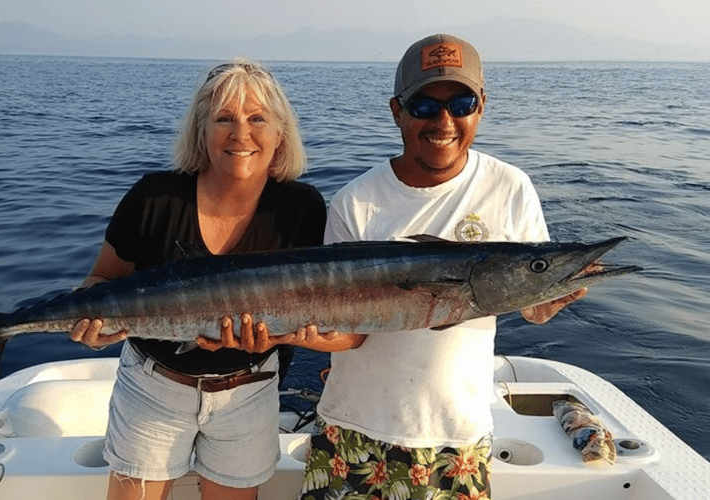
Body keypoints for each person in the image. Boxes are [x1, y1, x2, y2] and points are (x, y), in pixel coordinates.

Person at [206, 34, 588, 500]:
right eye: (425, 106)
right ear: (396, 110)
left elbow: (529, 303)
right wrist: (290, 333)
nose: (444, 120)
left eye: (462, 102)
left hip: (456, 436)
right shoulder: (355, 202)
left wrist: (542, 301)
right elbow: (348, 333)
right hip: (353, 427)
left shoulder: (510, 187)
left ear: (482, 105)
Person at [69, 59, 327, 500]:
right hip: (154, 384)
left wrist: (271, 340)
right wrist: (93, 327)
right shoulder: (153, 197)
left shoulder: (301, 208)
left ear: (280, 133)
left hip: (249, 388)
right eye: (223, 119)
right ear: (200, 131)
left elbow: (307, 307)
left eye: (257, 119)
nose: (240, 133)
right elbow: (100, 280)